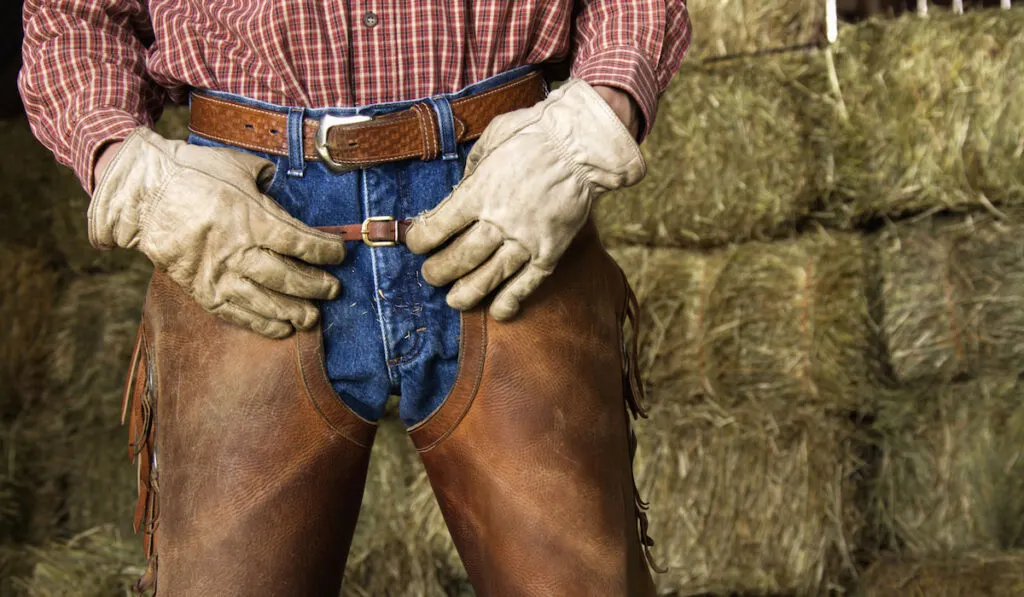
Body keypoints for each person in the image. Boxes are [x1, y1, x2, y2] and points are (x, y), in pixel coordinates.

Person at [20, 1, 690, 594]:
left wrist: (592, 122)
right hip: (247, 221)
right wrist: (129, 170)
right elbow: (71, 18)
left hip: (505, 187)